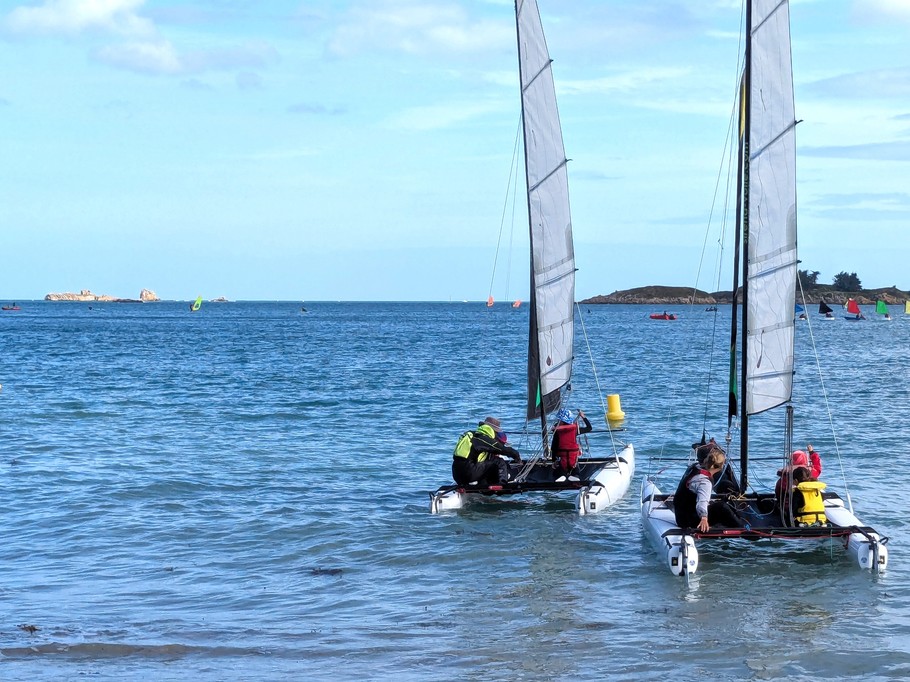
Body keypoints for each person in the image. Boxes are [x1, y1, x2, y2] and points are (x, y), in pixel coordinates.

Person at [673, 447, 743, 532]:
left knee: (716, 504)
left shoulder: (694, 467)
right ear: (721, 466)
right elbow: (702, 501)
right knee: (722, 507)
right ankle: (743, 529)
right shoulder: (705, 482)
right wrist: (704, 518)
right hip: (689, 521)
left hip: (680, 515)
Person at [452, 417, 521, 486]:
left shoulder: (472, 435)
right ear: (492, 430)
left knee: (487, 461)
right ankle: (502, 484)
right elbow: (501, 449)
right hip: (469, 472)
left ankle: (483, 483)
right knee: (499, 462)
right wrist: (516, 456)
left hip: (456, 473)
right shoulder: (483, 438)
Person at [551, 408, 592, 482]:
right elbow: (589, 428)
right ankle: (575, 475)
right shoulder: (575, 429)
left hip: (562, 457)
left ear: (561, 421)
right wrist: (583, 417)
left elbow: (553, 447)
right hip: (572, 457)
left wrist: (553, 460)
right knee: (574, 466)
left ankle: (562, 475)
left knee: (558, 469)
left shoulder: (557, 431)